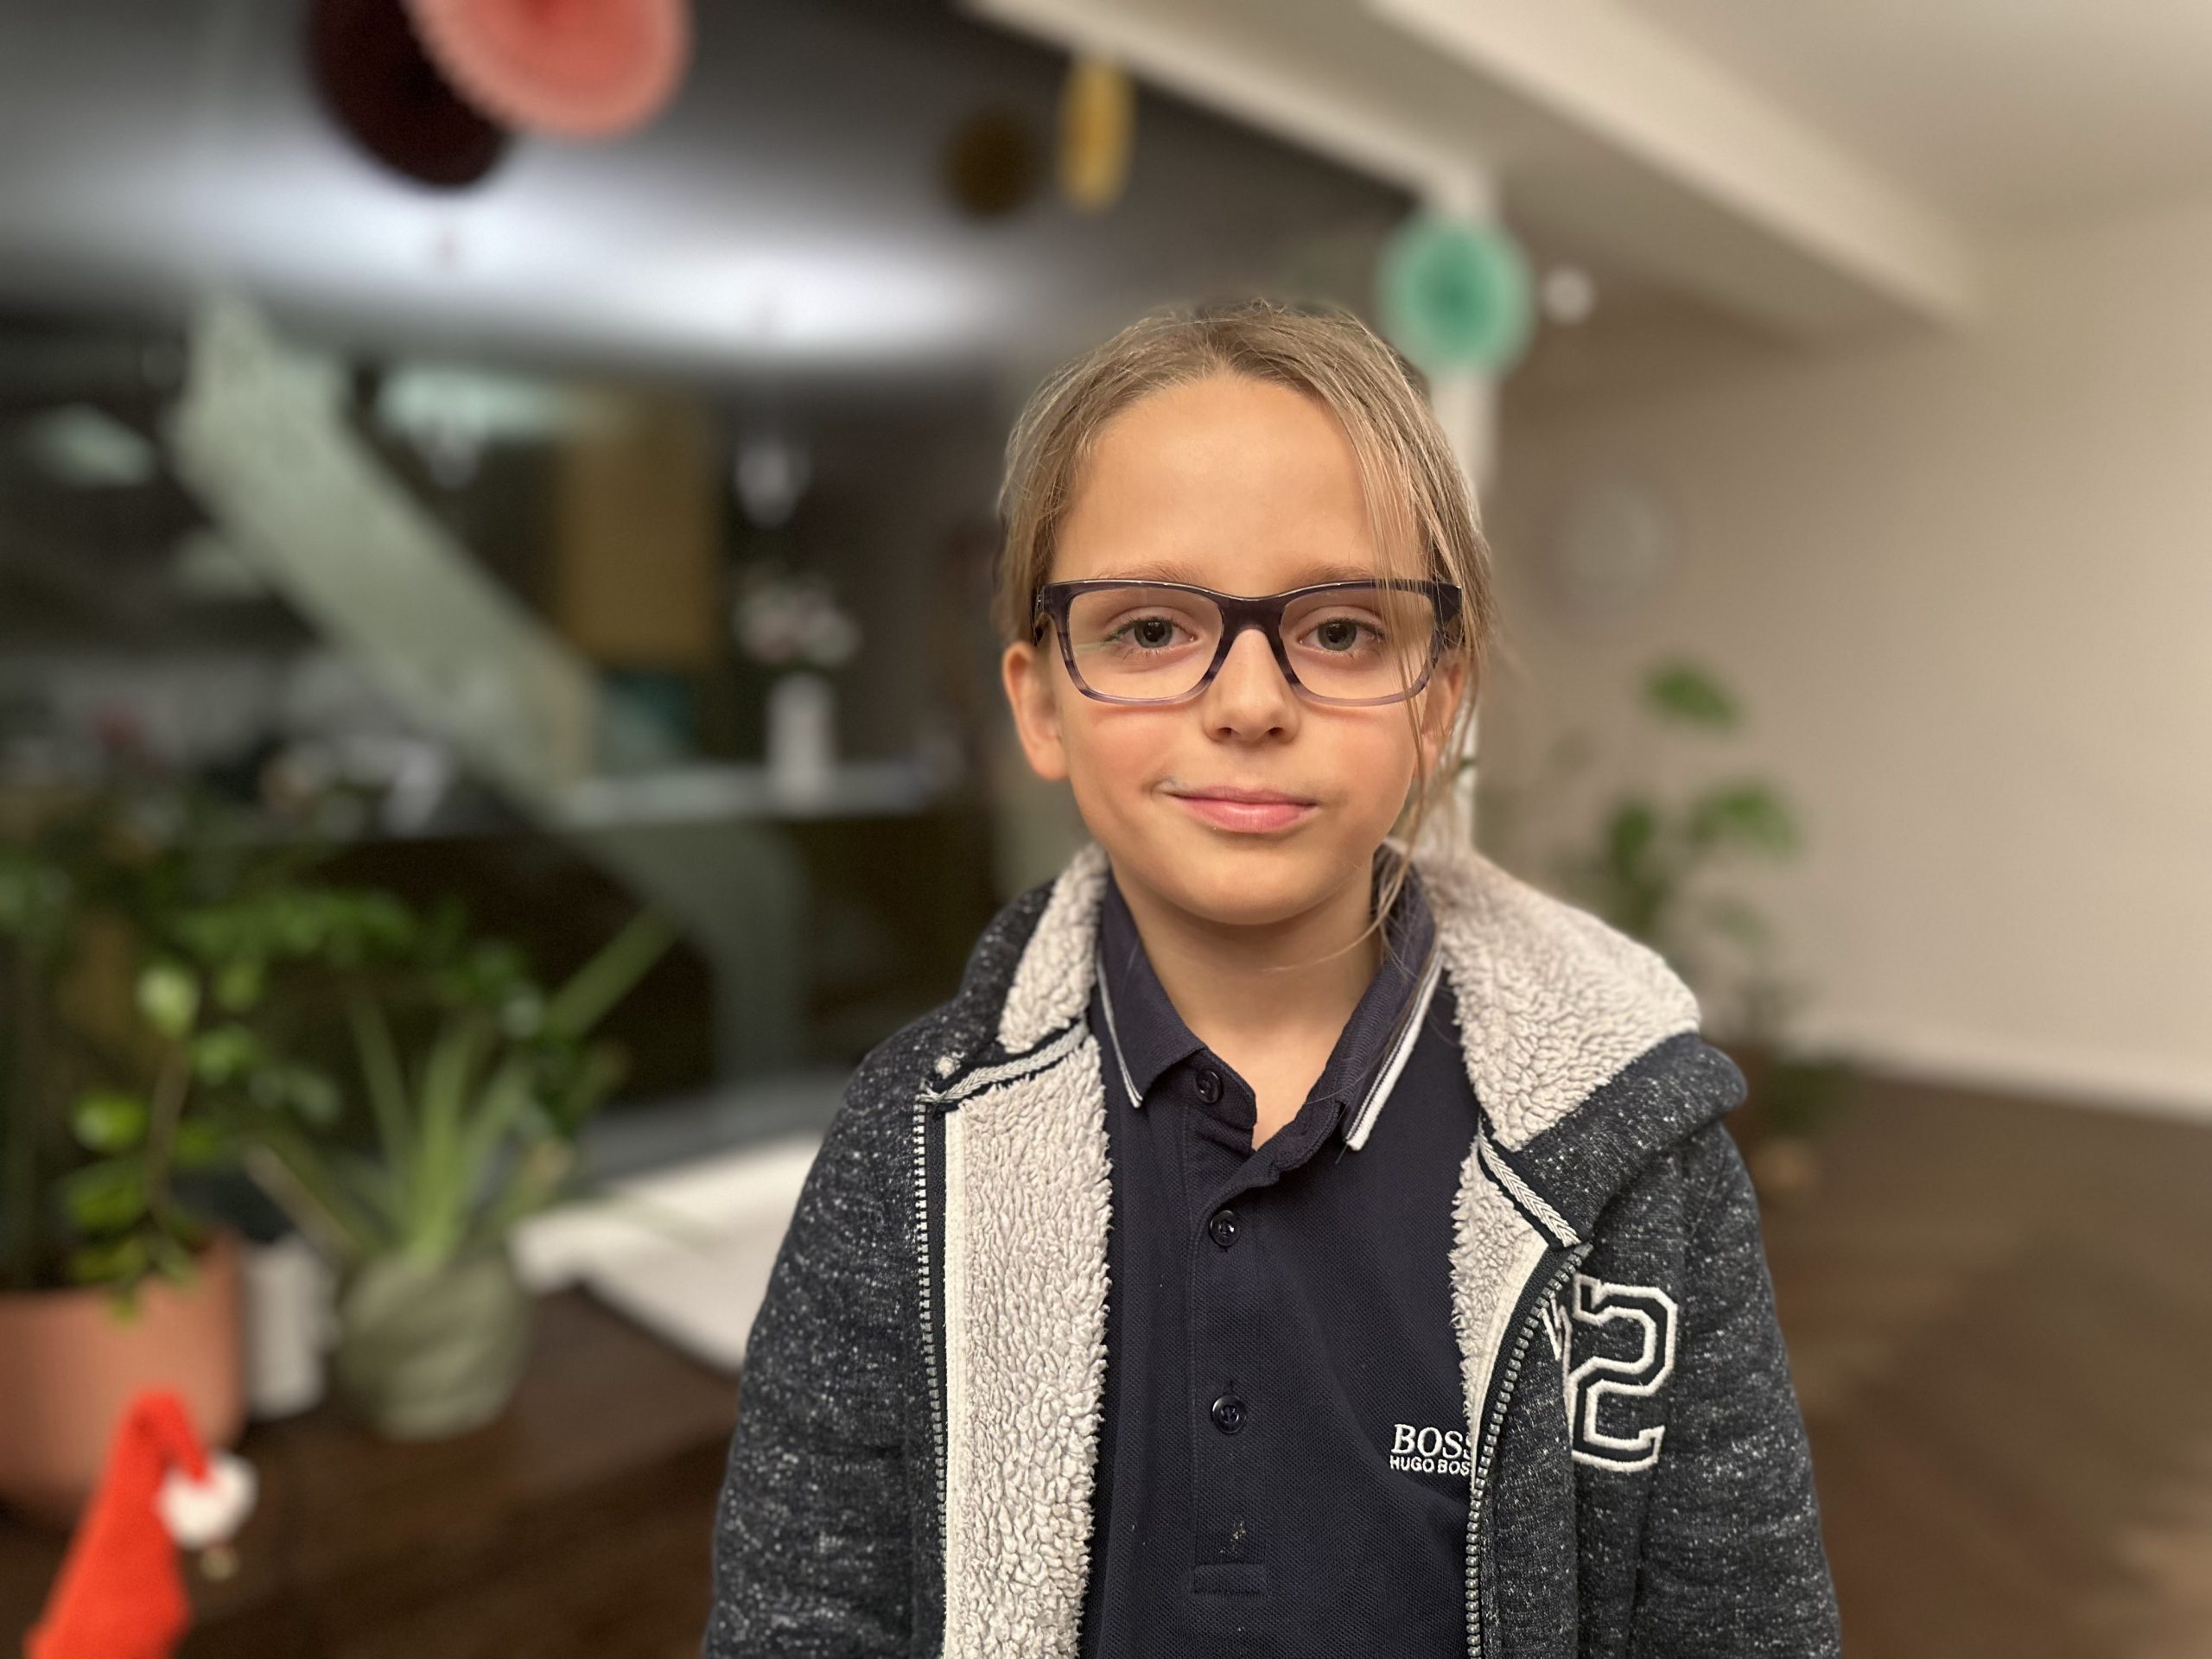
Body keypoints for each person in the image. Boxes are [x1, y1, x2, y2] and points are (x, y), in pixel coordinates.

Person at [704, 298, 1842, 1657]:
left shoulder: (1640, 1156)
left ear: (1439, 701)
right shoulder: (907, 1147)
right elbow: (804, 1615)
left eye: (1344, 631)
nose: (1249, 703)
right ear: (1041, 703)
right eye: (1148, 629)